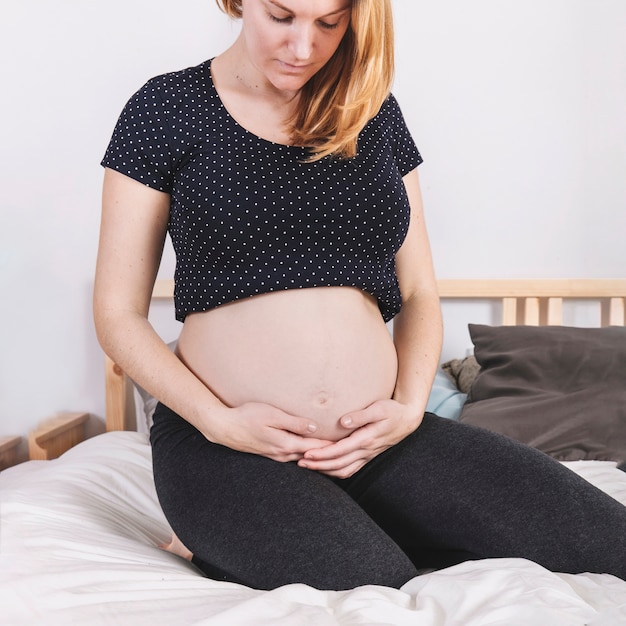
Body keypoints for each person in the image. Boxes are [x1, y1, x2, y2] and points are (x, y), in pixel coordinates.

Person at [94, 0, 626, 591]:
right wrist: (218, 421)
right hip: (229, 446)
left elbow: (420, 291)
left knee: (610, 541)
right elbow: (118, 314)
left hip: (375, 440)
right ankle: (218, 533)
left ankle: (334, 522)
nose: (303, 47)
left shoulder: (372, 113)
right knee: (373, 583)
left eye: (329, 23)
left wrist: (406, 409)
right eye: (281, 16)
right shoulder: (165, 107)